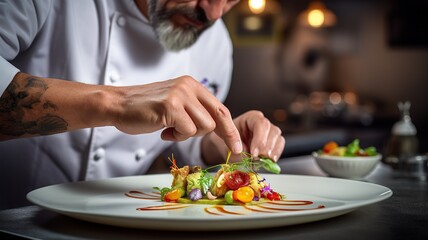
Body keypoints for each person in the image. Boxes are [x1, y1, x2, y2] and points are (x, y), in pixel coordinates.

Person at [0, 0, 285, 210]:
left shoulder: (216, 42)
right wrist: (116, 103)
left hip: (119, 220)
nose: (213, 13)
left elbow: (180, 143)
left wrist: (221, 142)